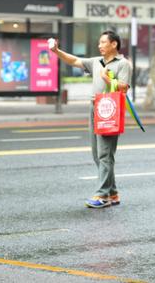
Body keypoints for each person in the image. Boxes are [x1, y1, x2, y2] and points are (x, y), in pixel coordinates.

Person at [49, 31, 131, 208]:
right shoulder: (96, 62)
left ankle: (102, 195)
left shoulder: (123, 64)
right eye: (99, 42)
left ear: (114, 44)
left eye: (103, 42)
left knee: (104, 154)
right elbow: (73, 60)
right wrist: (56, 51)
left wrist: (107, 79)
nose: (99, 45)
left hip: (111, 110)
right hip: (95, 108)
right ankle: (113, 193)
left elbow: (124, 88)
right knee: (97, 154)